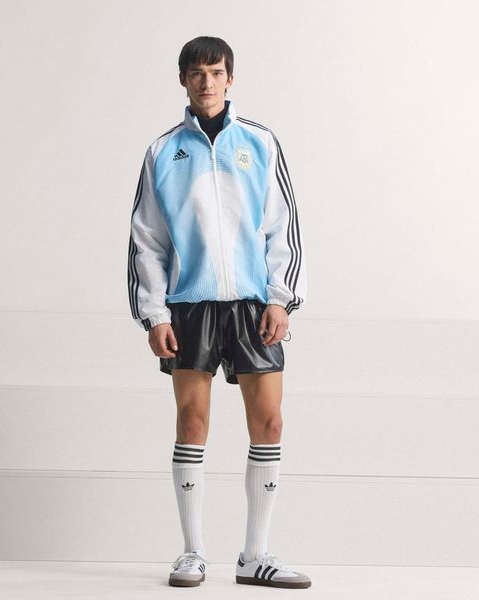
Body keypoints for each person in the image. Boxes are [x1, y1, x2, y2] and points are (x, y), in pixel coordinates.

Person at [127, 36, 309, 589]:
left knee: (269, 422)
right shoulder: (162, 151)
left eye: (216, 72)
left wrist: (279, 297)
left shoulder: (260, 142)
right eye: (196, 73)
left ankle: (256, 555)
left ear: (231, 78)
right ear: (182, 80)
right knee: (192, 422)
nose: (206, 82)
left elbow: (282, 225)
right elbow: (146, 239)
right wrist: (154, 314)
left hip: (254, 304)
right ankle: (192, 553)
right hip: (190, 304)